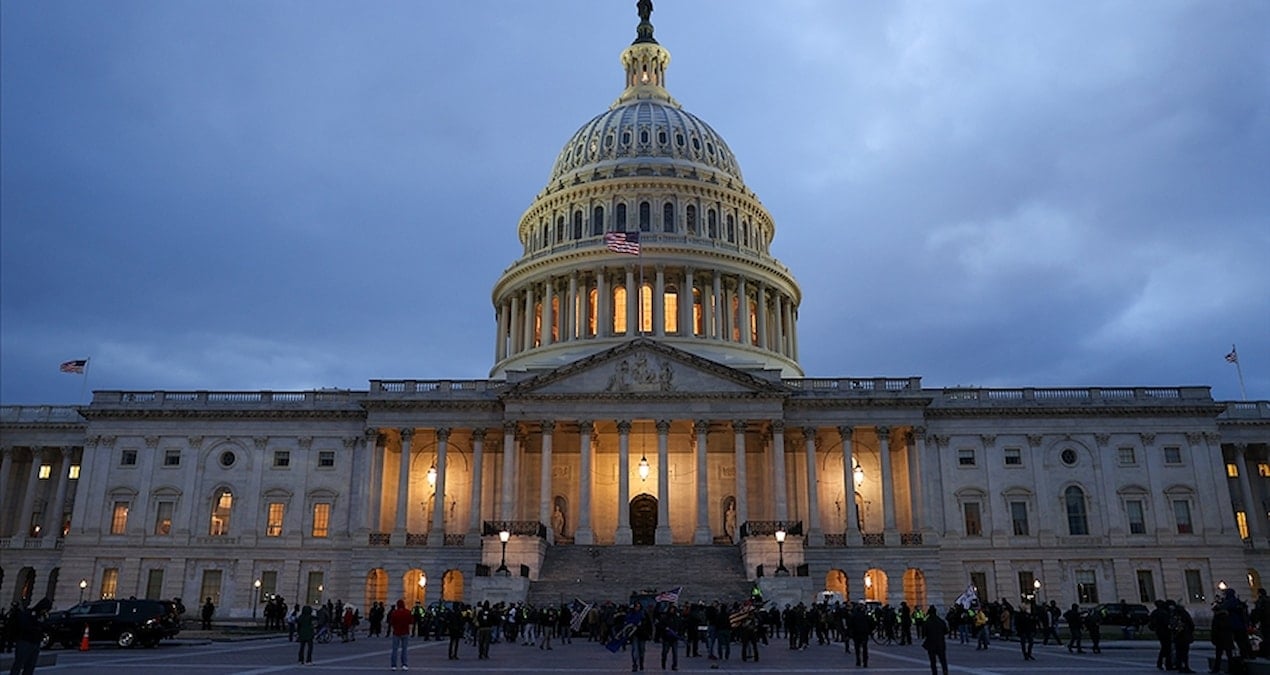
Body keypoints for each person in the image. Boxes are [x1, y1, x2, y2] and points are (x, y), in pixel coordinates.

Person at [9, 598, 50, 675]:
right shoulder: (30, 614)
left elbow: (45, 628)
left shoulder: (42, 616)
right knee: (19, 663)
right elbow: (25, 626)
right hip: (25, 641)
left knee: (30, 665)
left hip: (35, 642)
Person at [922, 605, 949, 675]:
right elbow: (946, 631)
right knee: (943, 660)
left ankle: (934, 673)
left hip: (931, 644)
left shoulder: (927, 622)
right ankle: (945, 671)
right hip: (940, 643)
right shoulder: (941, 621)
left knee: (933, 661)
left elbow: (924, 634)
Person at [1170, 601, 1196, 674]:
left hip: (1177, 636)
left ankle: (1180, 667)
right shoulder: (1185, 614)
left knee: (1179, 653)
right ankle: (1186, 667)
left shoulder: (1174, 615)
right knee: (1185, 653)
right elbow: (1191, 624)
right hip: (1185, 636)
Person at [387, 599, 413, 670]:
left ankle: (393, 665)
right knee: (404, 650)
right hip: (405, 632)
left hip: (396, 632)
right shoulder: (408, 612)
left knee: (394, 650)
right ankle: (404, 665)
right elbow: (411, 621)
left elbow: (391, 622)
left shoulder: (394, 613)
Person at [1149, 599, 1174, 671]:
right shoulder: (1164, 613)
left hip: (1159, 632)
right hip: (1165, 632)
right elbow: (1167, 623)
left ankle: (1161, 663)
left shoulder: (1154, 612)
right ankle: (1167, 664)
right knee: (1167, 649)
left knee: (1164, 648)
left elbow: (1151, 624)